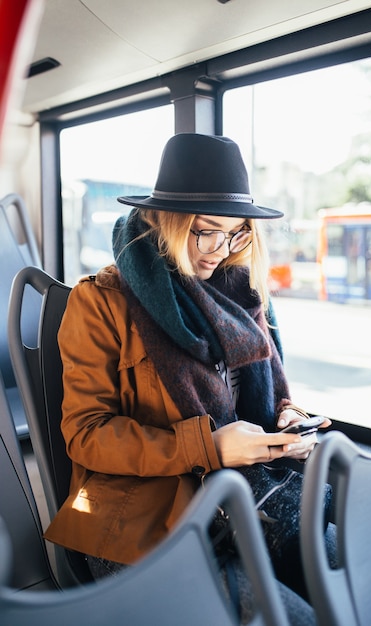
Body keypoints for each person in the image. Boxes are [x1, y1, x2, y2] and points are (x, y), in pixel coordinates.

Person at [45, 133, 332, 624]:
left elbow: (268, 395)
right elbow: (86, 435)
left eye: (238, 233)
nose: (222, 249)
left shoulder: (243, 295)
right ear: (165, 221)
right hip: (140, 521)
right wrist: (209, 447)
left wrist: (288, 419)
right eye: (206, 231)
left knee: (348, 565)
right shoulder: (101, 301)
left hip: (246, 496)